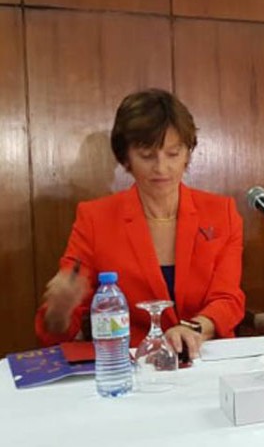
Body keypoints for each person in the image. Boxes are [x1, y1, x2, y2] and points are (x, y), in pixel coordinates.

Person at [35, 88, 245, 358]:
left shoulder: (221, 212)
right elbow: (54, 331)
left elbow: (228, 299)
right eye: (147, 155)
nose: (161, 167)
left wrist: (193, 328)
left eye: (173, 153)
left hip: (206, 359)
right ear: (126, 158)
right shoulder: (95, 219)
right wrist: (60, 310)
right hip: (132, 364)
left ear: (187, 153)